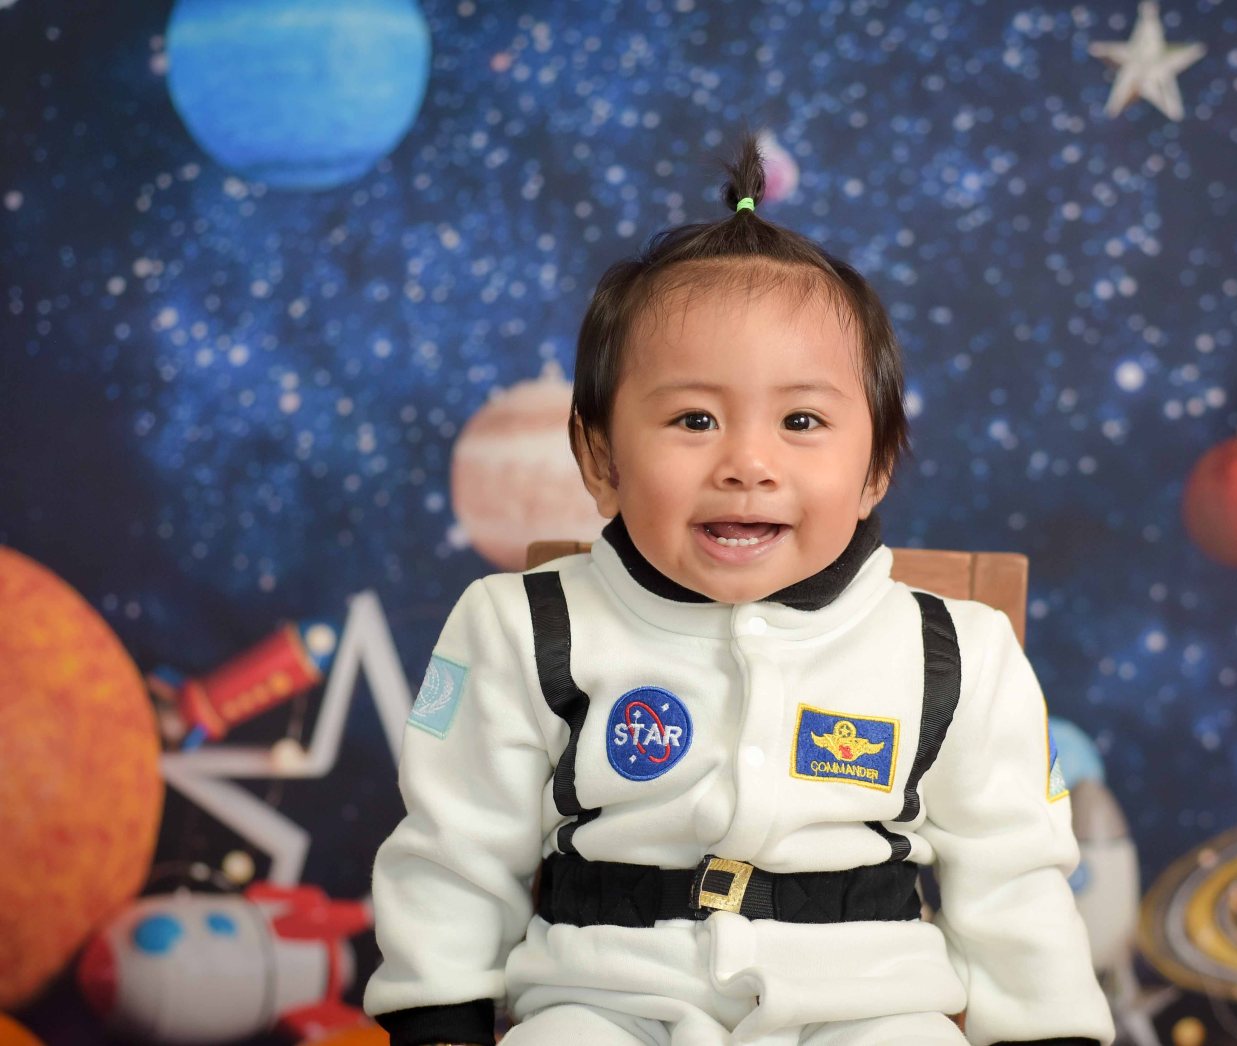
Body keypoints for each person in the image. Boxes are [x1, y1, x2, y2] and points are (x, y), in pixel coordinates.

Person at [364, 134, 1115, 1046]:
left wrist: (1047, 1030)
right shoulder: (525, 626)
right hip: (606, 998)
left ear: (876, 467)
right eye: (694, 419)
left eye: (802, 419)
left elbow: (1014, 878)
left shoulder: (953, 651)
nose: (747, 463)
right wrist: (440, 1019)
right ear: (598, 459)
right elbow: (454, 850)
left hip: (867, 1005)